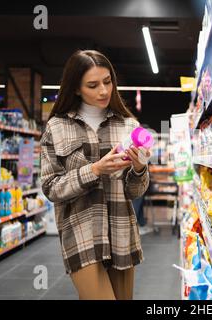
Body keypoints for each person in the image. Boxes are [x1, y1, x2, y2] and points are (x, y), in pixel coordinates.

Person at [40, 49, 151, 300]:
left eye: (107, 81)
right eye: (93, 85)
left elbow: (135, 191)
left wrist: (139, 167)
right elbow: (51, 188)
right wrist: (95, 170)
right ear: (76, 88)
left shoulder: (129, 126)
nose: (103, 90)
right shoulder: (57, 127)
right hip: (80, 231)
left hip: (121, 231)